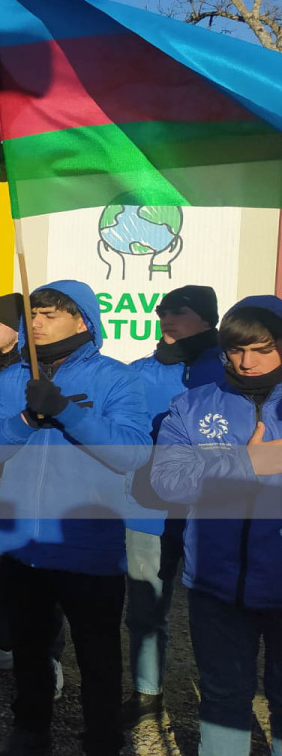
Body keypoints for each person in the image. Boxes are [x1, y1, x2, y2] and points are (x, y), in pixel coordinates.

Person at [0, 281, 152, 756]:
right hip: (23, 545)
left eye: (49, 314)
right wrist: (26, 420)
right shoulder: (11, 379)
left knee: (97, 656)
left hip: (87, 544)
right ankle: (30, 729)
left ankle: (103, 739)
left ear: (83, 321)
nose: (34, 322)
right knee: (29, 650)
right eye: (32, 313)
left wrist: (66, 411)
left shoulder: (117, 377)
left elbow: (131, 454)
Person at [152, 295, 282, 756]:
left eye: (263, 349)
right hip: (215, 580)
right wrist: (245, 460)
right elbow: (166, 481)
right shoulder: (192, 404)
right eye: (236, 349)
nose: (247, 362)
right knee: (225, 694)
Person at [123, 285, 223, 728]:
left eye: (178, 312)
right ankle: (147, 692)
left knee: (221, 618)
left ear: (207, 320)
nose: (166, 318)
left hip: (212, 513)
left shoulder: (228, 370)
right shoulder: (137, 372)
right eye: (162, 311)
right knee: (145, 609)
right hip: (148, 508)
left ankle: (223, 700)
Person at [0, 293, 68, 680]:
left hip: (30, 484)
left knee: (41, 571)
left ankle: (48, 657)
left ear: (19, 330)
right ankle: (3, 645)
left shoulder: (38, 369)